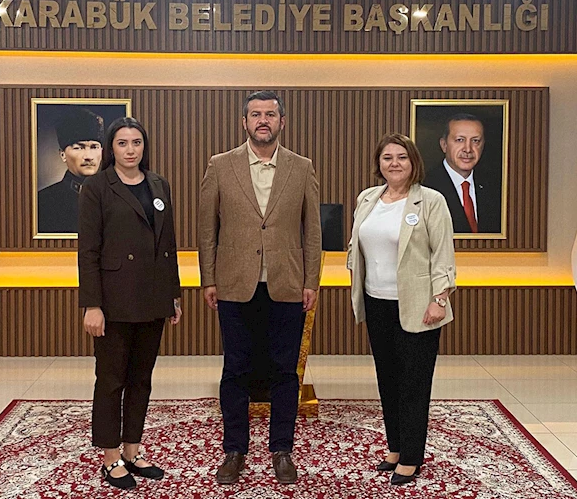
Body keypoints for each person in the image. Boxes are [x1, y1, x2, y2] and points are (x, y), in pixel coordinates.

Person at [198, 91, 321, 485]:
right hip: (235, 284)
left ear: (282, 121)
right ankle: (234, 450)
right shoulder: (220, 165)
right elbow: (207, 229)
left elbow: (312, 230)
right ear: (244, 122)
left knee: (285, 372)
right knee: (235, 369)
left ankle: (282, 450)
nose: (263, 120)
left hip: (287, 284)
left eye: (270, 114)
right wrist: (208, 278)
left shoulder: (302, 167)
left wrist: (311, 280)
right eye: (255, 114)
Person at [78, 117, 182, 490]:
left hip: (153, 297)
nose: (130, 149)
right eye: (122, 143)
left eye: (136, 142)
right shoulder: (96, 187)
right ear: (111, 148)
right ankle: (110, 458)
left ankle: (132, 451)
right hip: (113, 301)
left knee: (141, 379)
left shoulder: (158, 184)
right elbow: (88, 251)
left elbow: (167, 244)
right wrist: (92, 304)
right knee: (111, 380)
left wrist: (173, 293)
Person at [347, 133, 456, 486]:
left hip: (418, 306)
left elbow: (443, 253)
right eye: (387, 157)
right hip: (376, 302)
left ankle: (411, 457)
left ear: (413, 162)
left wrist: (440, 299)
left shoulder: (431, 201)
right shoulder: (367, 198)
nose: (394, 163)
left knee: (414, 383)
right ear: (378, 163)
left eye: (402, 157)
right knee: (388, 380)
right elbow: (357, 246)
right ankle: (395, 447)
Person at [422, 113, 501, 233]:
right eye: (460, 140)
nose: (468, 149)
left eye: (475, 141)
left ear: (483, 146)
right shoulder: (425, 185)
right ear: (444, 145)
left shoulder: (495, 187)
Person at [38, 107, 104, 233]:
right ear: (62, 155)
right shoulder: (43, 202)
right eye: (78, 148)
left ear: (102, 151)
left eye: (94, 147)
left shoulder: (118, 199)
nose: (88, 156)